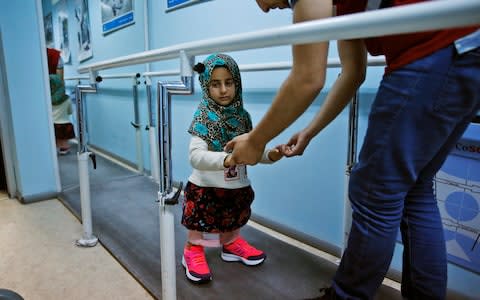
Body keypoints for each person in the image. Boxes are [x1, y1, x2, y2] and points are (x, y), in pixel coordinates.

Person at [226, 1, 480, 299]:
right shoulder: (345, 6)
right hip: (467, 51)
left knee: (373, 191)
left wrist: (256, 141)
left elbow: (307, 78)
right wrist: (310, 131)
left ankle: (346, 295)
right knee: (415, 190)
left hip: (434, 53)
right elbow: (352, 72)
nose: (264, 9)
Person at [181, 53, 283, 283]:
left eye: (229, 82)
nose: (224, 90)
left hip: (236, 186)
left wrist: (273, 155)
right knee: (199, 223)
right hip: (205, 188)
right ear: (206, 86)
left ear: (237, 82)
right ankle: (192, 251)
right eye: (215, 84)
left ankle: (230, 244)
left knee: (234, 217)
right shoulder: (202, 119)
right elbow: (196, 157)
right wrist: (227, 159)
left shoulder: (243, 118)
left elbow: (252, 151)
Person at [47, 48, 75, 155]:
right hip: (65, 123)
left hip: (54, 123)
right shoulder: (66, 99)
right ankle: (65, 148)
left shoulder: (50, 102)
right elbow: (70, 111)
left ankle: (54, 148)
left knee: (55, 135)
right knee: (64, 139)